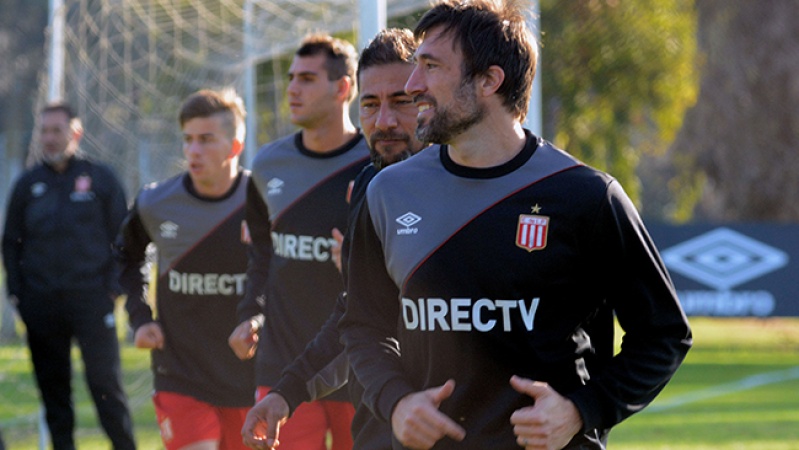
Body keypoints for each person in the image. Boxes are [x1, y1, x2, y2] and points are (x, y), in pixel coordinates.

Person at [338, 1, 694, 449]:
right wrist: (396, 401)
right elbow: (363, 325)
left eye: (431, 66)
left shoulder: (585, 196)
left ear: (489, 80)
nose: (413, 85)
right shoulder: (388, 192)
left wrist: (580, 411)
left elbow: (664, 333)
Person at [240, 28, 424, 450]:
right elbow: (358, 312)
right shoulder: (369, 182)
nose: (384, 121)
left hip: (442, 415)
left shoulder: (470, 187)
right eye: (371, 104)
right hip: (348, 388)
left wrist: (573, 406)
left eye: (402, 101)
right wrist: (287, 389)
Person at [228, 33, 369, 450]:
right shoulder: (267, 164)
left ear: (342, 88)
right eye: (291, 78)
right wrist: (250, 313)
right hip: (282, 365)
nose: (292, 88)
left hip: (358, 362)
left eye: (307, 78)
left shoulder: (377, 163)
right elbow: (261, 253)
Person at [114, 89, 255, 450]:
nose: (193, 150)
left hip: (249, 377)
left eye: (206, 140)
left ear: (235, 146)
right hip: (180, 374)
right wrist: (140, 317)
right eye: (188, 140)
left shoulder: (264, 201)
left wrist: (260, 319)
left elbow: (285, 275)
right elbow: (125, 257)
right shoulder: (155, 202)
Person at [1, 103, 136, 450]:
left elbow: (125, 237)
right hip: (41, 305)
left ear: (75, 133)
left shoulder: (101, 179)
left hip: (92, 302)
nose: (49, 138)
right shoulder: (28, 184)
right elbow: (11, 241)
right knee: (55, 396)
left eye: (56, 130)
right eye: (44, 131)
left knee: (106, 388)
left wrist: (112, 288)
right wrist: (17, 293)